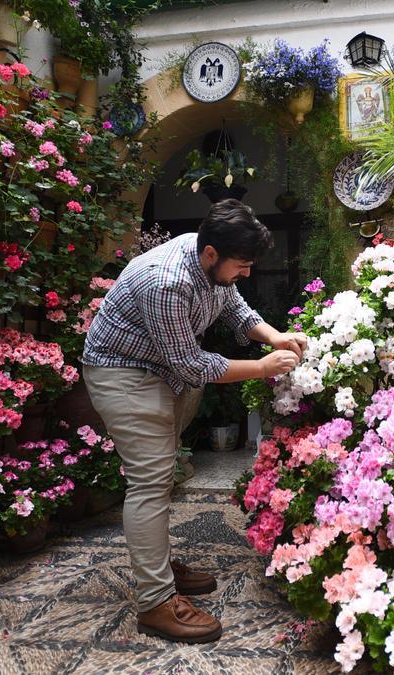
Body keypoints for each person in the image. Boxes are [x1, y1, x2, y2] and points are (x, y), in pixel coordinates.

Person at [81, 199, 305, 644]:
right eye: (242, 265)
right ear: (211, 254)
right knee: (150, 480)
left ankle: (157, 566)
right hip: (124, 373)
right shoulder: (167, 280)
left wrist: (274, 336)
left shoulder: (207, 257)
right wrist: (262, 368)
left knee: (163, 474)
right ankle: (155, 602)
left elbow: (234, 307)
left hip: (162, 371)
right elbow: (191, 364)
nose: (246, 273)